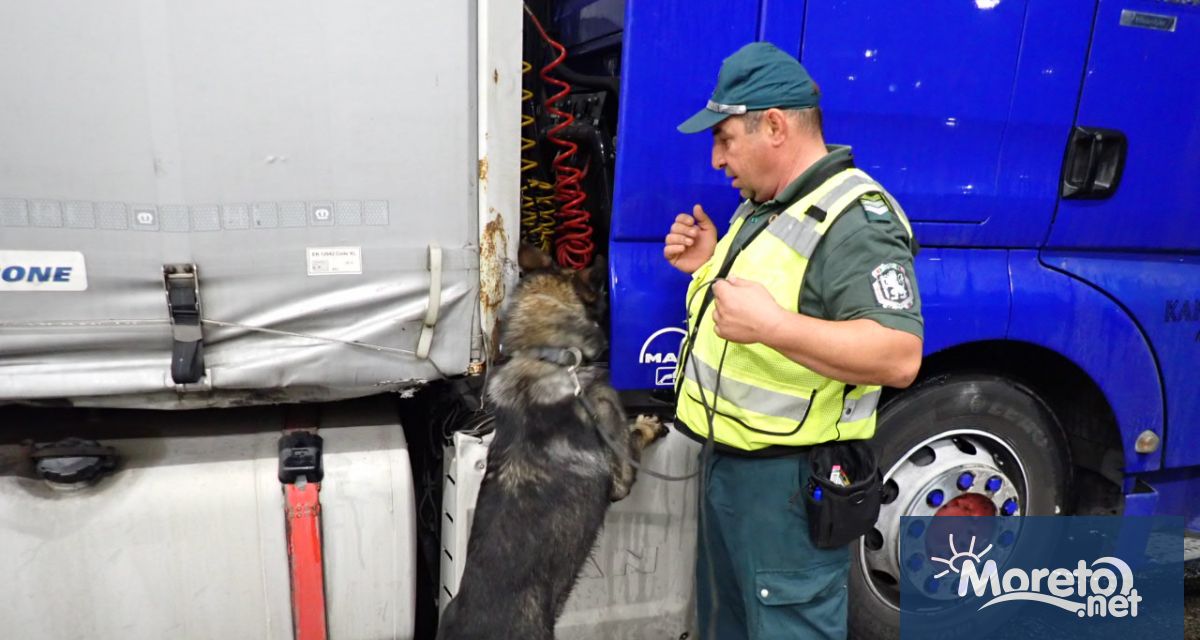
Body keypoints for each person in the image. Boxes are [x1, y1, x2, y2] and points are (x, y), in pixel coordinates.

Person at [663, 42, 924, 640]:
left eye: (724, 138)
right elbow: (759, 305)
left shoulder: (856, 219)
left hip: (788, 485)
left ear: (774, 125)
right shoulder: (766, 204)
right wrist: (708, 266)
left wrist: (774, 328)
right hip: (733, 467)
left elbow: (898, 354)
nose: (715, 160)